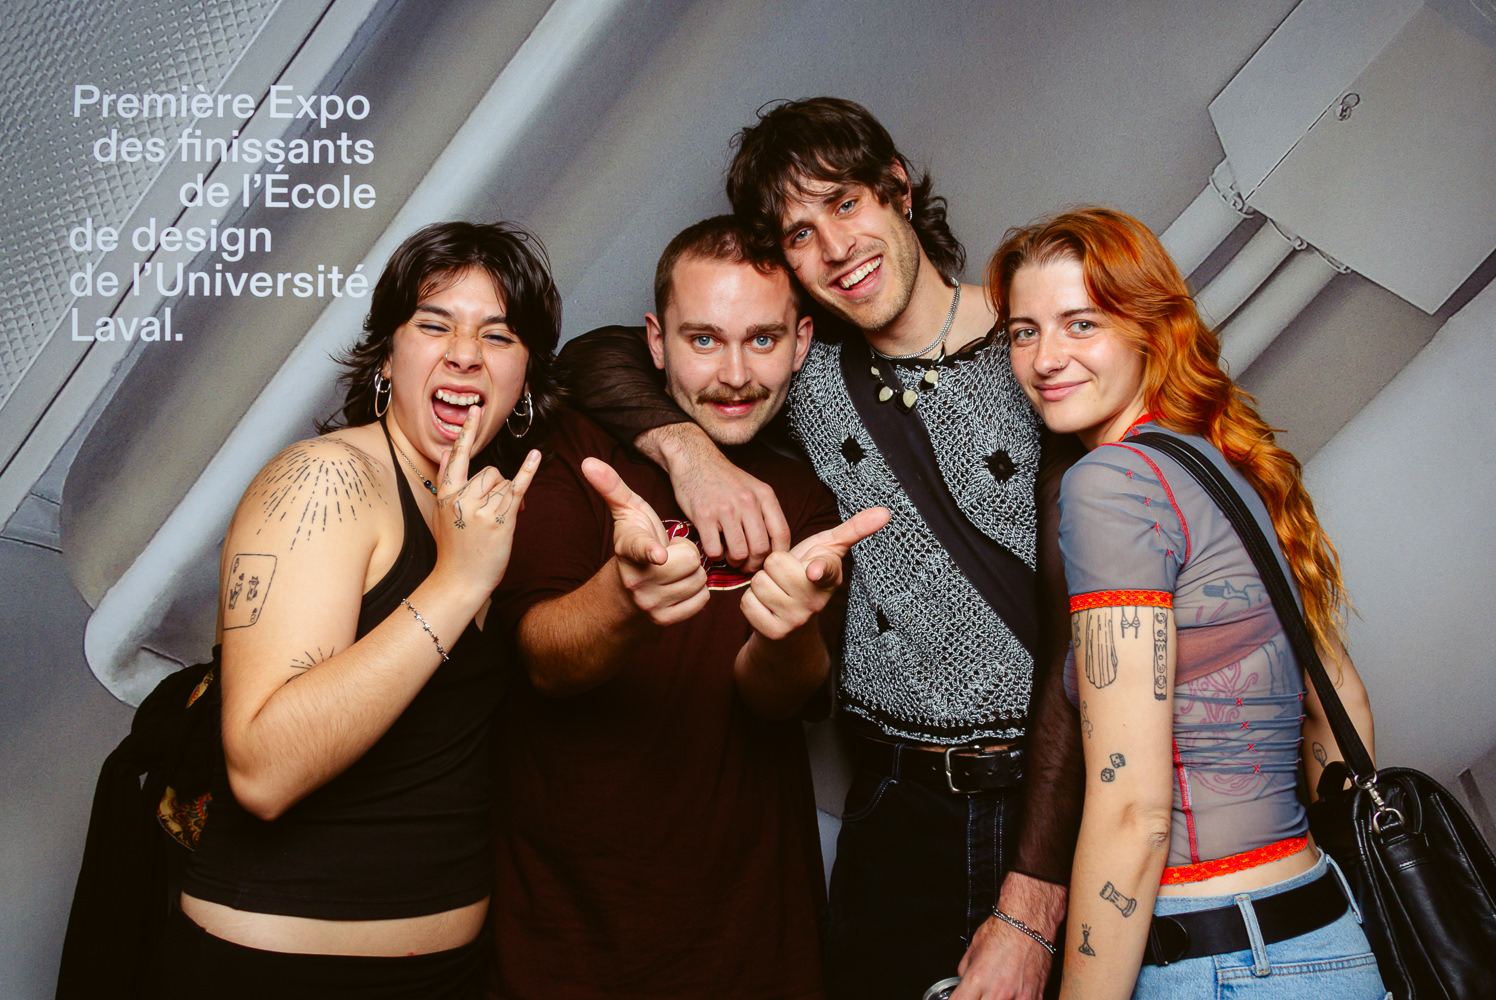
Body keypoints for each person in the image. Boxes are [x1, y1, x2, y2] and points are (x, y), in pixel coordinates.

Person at [557, 98, 1083, 1000]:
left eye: (846, 203)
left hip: (1049, 796)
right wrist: (689, 456)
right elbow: (592, 358)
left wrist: (1034, 902)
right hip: (895, 804)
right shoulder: (806, 373)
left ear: (898, 191)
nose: (836, 248)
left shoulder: (1038, 347)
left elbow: (1091, 632)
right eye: (800, 233)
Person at [485, 216, 888, 1000]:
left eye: (763, 340)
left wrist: (788, 631)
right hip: (567, 936)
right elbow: (544, 660)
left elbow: (777, 699)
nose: (735, 374)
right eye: (704, 340)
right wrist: (622, 599)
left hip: (748, 939)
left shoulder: (806, 498)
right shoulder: (577, 451)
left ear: (801, 343)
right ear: (656, 342)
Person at [991, 206, 1385, 999]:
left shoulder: (1110, 485)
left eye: (1080, 324)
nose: (1045, 359)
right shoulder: (1222, 462)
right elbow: (1340, 701)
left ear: (1149, 329)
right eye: (1024, 332)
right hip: (1323, 930)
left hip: (1220, 960)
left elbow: (1134, 811)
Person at [167, 221, 561, 998]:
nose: (465, 355)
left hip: (448, 970)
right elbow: (262, 770)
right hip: (282, 974)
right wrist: (456, 584)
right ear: (386, 356)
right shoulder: (323, 481)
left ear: (524, 377)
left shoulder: (478, 505)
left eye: (498, 335)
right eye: (435, 325)